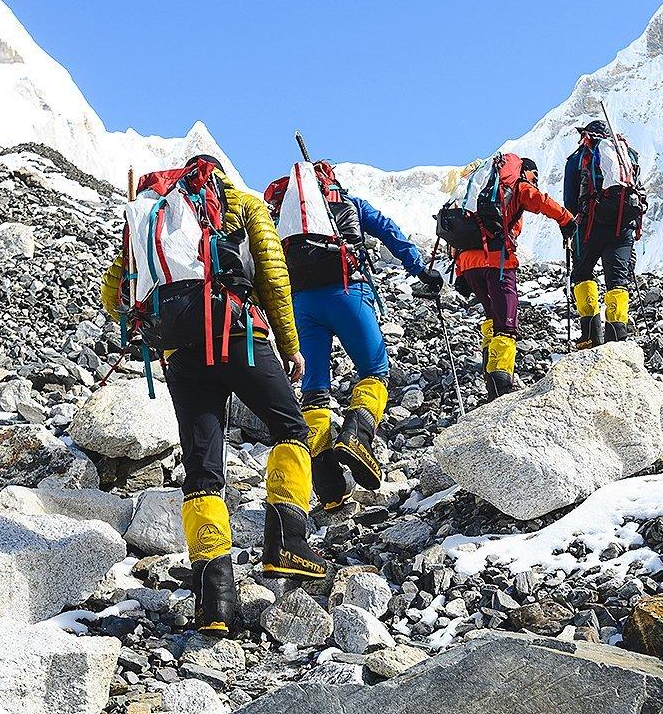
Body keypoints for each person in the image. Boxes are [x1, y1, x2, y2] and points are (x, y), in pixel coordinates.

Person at [101, 155, 325, 636]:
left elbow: (115, 294)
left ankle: (215, 602)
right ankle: (287, 542)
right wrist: (291, 346)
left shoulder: (149, 216)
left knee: (203, 470)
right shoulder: (242, 204)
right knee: (290, 427)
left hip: (180, 352)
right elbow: (272, 277)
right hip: (238, 332)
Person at [265, 160, 442, 513]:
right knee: (375, 370)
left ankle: (329, 486)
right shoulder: (349, 202)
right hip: (349, 293)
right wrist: (421, 270)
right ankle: (357, 436)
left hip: (302, 304)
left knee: (314, 390)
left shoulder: (283, 220)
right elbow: (388, 231)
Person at [453, 155, 576, 400]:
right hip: (498, 261)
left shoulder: (480, 187)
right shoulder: (516, 186)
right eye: (534, 177)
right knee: (506, 325)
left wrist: (459, 271)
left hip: (468, 263)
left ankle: (491, 382)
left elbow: (458, 225)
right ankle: (501, 388)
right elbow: (539, 201)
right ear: (526, 172)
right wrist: (566, 219)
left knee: (491, 318)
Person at [563, 119, 643, 347]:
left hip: (590, 227)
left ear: (587, 135)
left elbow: (570, 201)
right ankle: (617, 335)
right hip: (623, 225)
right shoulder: (628, 154)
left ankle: (590, 335)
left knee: (582, 274)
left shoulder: (578, 158)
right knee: (618, 280)